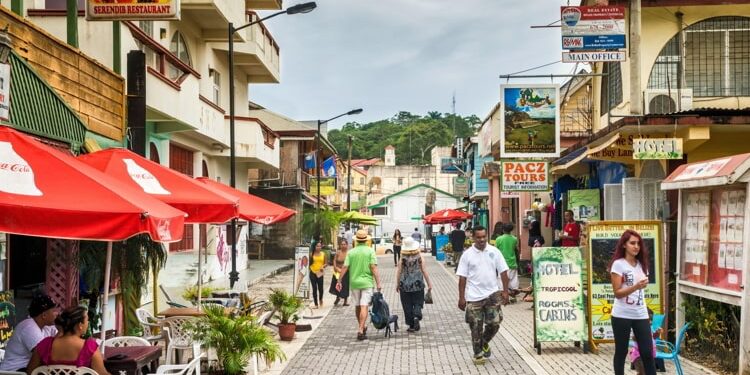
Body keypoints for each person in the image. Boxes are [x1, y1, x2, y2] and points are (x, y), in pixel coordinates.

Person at [457, 226, 510, 365]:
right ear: (473, 238)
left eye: (483, 236)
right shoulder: (467, 255)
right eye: (478, 237)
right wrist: (461, 297)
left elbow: (504, 271)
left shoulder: (494, 251)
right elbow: (462, 278)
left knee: (495, 323)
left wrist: (505, 291)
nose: (481, 240)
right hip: (474, 297)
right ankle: (478, 354)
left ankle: (484, 342)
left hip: (492, 294)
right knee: (476, 326)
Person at [609, 229, 656, 375]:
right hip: (621, 314)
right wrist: (636, 286)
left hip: (640, 314)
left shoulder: (642, 265)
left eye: (638, 244)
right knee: (621, 351)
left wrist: (640, 287)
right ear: (624, 245)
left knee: (648, 352)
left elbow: (641, 289)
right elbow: (617, 293)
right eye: (632, 243)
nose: (636, 246)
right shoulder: (618, 264)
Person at [27, 306, 111, 375]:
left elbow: (30, 371)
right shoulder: (89, 347)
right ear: (80, 325)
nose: (88, 323)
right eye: (87, 320)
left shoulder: (45, 344)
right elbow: (102, 373)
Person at [338, 229, 382, 341]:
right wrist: (378, 283)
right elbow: (373, 267)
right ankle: (361, 329)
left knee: (357, 306)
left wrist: (339, 281)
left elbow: (345, 267)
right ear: (366, 240)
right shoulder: (370, 251)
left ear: (356, 240)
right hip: (367, 283)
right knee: (364, 306)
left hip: (354, 283)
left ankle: (361, 327)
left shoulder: (351, 252)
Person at [0, 294, 58, 372]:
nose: (57, 313)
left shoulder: (47, 326)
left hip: (28, 368)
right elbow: (42, 354)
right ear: (44, 315)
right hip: (15, 371)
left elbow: (61, 342)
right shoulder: (29, 326)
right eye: (54, 311)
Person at [395, 237, 433, 333]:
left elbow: (399, 271)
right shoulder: (419, 257)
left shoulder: (402, 258)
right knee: (418, 301)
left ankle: (411, 326)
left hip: (405, 285)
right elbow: (424, 271)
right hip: (418, 284)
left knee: (406, 305)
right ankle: (416, 315)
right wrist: (429, 284)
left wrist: (397, 283)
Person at [630, 308, 660, 375]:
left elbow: (653, 337)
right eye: (648, 320)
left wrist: (657, 333)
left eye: (651, 319)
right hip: (639, 355)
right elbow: (634, 338)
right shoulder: (637, 327)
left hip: (649, 354)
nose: (650, 322)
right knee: (641, 372)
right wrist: (642, 335)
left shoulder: (650, 327)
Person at [495, 223, 519, 293]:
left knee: (502, 279)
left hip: (502, 263)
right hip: (512, 262)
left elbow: (495, 250)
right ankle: (513, 292)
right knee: (513, 279)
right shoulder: (514, 239)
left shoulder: (499, 239)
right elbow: (516, 249)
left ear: (503, 230)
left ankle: (503, 293)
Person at [330, 239, 350, 306]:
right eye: (342, 244)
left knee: (345, 286)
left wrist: (345, 270)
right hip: (337, 271)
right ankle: (337, 297)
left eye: (344, 244)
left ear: (347, 245)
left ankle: (345, 300)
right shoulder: (338, 252)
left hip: (345, 272)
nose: (343, 245)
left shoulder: (349, 253)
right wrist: (335, 267)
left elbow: (350, 263)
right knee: (336, 285)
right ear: (340, 245)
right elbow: (334, 260)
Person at [309, 241, 327, 308]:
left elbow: (326, 263)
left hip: (320, 273)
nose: (319, 247)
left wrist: (323, 266)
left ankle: (321, 299)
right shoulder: (311, 254)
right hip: (313, 273)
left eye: (320, 246)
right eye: (317, 246)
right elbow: (309, 263)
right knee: (314, 288)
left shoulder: (323, 254)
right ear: (314, 247)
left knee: (321, 288)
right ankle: (316, 304)